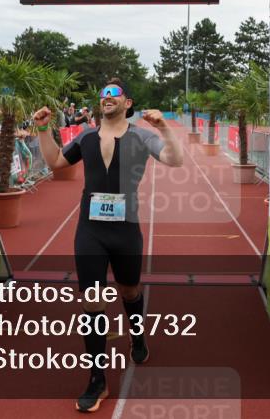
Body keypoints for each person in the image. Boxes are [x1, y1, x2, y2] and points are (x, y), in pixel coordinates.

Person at [33, 78, 183, 413]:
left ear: (128, 103)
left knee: (129, 290)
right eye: (103, 94)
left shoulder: (141, 136)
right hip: (90, 231)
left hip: (126, 229)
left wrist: (165, 128)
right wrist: (43, 129)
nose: (106, 98)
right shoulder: (87, 136)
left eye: (114, 94)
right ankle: (97, 380)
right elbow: (57, 162)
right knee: (92, 301)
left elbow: (174, 160)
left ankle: (138, 336)